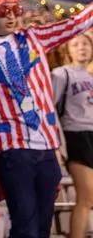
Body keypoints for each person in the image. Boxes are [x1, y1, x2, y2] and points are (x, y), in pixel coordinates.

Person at [0, 0, 93, 238]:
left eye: (16, 8)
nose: (12, 16)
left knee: (42, 226)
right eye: (4, 9)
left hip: (46, 147)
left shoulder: (34, 38)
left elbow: (77, 23)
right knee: (26, 224)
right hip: (10, 148)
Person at [52, 31, 93, 238]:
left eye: (85, 43)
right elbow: (48, 108)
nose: (82, 48)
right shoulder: (62, 74)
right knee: (86, 196)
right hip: (76, 135)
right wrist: (55, 143)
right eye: (75, 44)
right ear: (67, 50)